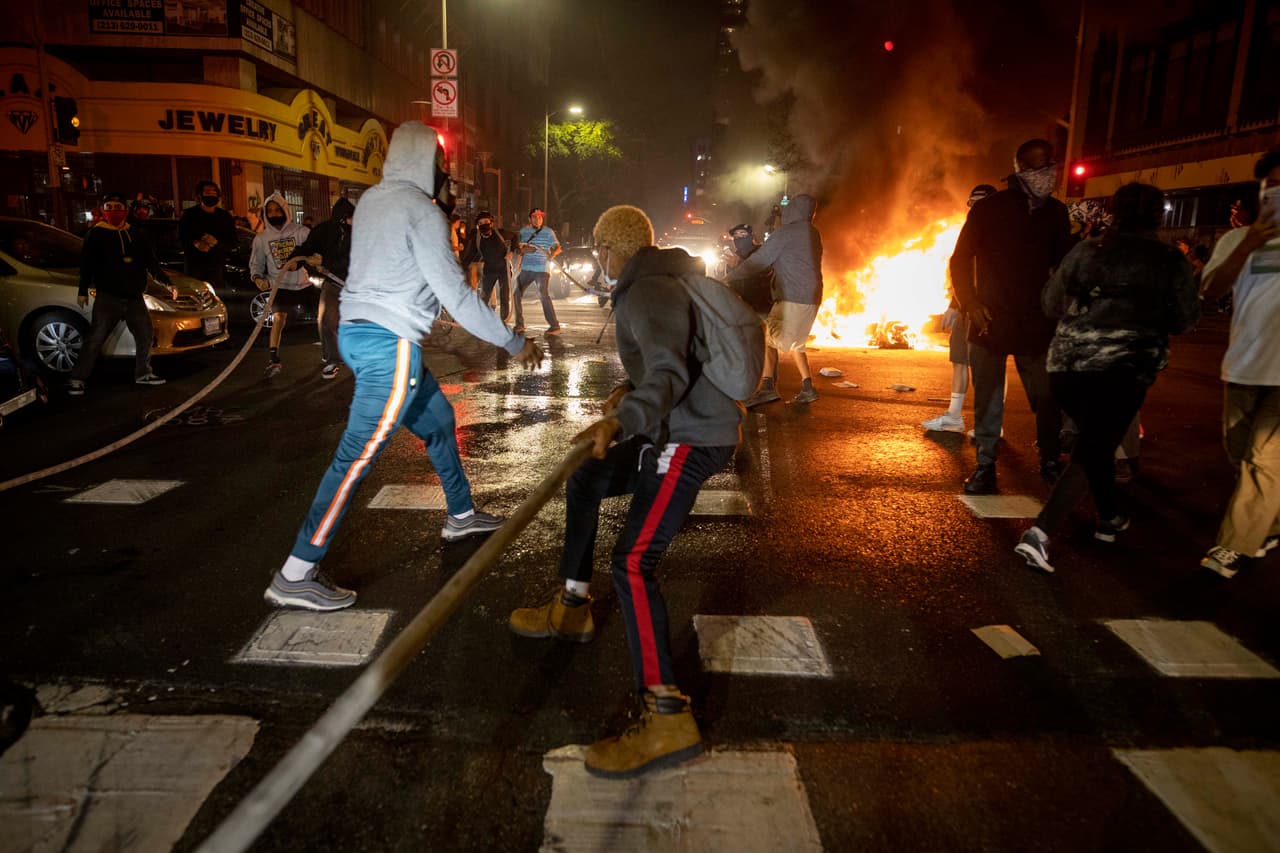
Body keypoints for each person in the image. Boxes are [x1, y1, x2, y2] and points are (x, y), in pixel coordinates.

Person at [263, 122, 543, 611]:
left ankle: (460, 513)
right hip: (389, 345)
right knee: (356, 457)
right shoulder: (421, 212)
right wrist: (513, 342)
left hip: (358, 332)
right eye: (443, 170)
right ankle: (296, 571)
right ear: (425, 167)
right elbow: (455, 294)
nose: (448, 181)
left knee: (437, 422)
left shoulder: (374, 201)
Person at [508, 204, 745, 778]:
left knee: (634, 561)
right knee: (587, 477)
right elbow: (668, 365)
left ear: (616, 248)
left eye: (601, 248)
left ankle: (664, 714)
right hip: (669, 427)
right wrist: (626, 391)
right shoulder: (658, 283)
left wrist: (620, 420)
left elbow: (668, 373)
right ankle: (571, 607)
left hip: (687, 437)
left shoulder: (649, 291)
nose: (601, 262)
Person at [1014, 183, 1199, 573]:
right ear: (1159, 215)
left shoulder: (1086, 250)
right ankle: (1040, 534)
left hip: (1066, 365)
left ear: (1113, 212)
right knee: (1095, 447)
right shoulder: (1169, 260)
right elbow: (1185, 319)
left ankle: (1110, 518)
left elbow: (1049, 302)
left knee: (1096, 440)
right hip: (1123, 370)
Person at [950, 139, 1075, 494]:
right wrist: (970, 303)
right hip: (990, 319)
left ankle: (1050, 459)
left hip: (1037, 320)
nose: (1048, 174)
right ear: (1019, 169)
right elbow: (959, 260)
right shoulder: (989, 209)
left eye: (1051, 165)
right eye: (1039, 168)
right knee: (988, 397)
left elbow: (1063, 264)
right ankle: (985, 466)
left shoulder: (1056, 212)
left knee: (1047, 395)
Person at [1197, 151, 1280, 578]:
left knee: (1263, 461)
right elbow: (1209, 290)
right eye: (1273, 186)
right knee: (1239, 452)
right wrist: (1249, 242)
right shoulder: (1236, 240)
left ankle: (1232, 546)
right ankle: (1269, 523)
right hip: (1245, 367)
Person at [68, 191, 170, 395]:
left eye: (118, 207)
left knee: (145, 334)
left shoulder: (135, 233)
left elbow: (150, 262)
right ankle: (77, 378)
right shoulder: (96, 234)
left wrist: (167, 283)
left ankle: (143, 373)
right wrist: (83, 290)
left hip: (134, 297)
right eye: (110, 208)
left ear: (125, 210)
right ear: (104, 211)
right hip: (108, 296)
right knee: (96, 337)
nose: (114, 212)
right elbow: (87, 265)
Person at [728, 194, 823, 406]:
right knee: (797, 341)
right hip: (812, 297)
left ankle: (768, 387)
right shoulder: (813, 233)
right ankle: (808, 387)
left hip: (792, 297)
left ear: (791, 211)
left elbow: (759, 261)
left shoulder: (787, 233)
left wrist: (730, 276)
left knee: (767, 339)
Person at [922, 184, 998, 433]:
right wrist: (954, 305)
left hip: (987, 310)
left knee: (988, 368)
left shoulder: (999, 235)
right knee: (959, 362)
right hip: (966, 309)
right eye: (971, 202)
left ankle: (992, 424)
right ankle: (955, 417)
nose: (974, 208)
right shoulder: (970, 233)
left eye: (980, 202)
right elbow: (962, 272)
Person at [285, 197, 355, 380]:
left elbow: (353, 261)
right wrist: (294, 261)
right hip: (333, 284)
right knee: (326, 320)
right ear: (340, 218)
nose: (352, 221)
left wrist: (325, 262)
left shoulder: (361, 233)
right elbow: (307, 248)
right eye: (348, 217)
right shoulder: (323, 231)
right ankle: (332, 359)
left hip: (359, 285)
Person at [250, 192, 311, 376]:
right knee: (278, 319)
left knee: (323, 318)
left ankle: (330, 355)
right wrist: (257, 278)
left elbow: (316, 249)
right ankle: (274, 359)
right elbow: (256, 263)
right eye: (270, 211)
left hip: (304, 283)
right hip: (280, 286)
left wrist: (312, 259)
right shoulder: (261, 239)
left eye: (278, 209)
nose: (274, 214)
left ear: (285, 210)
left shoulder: (300, 232)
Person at [178, 181, 237, 289]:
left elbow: (232, 242)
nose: (211, 195)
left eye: (214, 192)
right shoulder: (189, 215)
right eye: (207, 192)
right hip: (194, 269)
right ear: (200, 195)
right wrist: (196, 243)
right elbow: (180, 239)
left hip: (217, 269)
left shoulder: (225, 216)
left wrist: (216, 242)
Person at [514, 207, 562, 334]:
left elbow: (558, 248)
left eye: (540, 217)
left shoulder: (548, 232)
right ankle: (519, 325)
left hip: (542, 269)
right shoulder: (524, 231)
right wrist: (525, 250)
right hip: (526, 269)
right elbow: (519, 249)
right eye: (535, 217)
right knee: (516, 294)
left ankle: (554, 326)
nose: (537, 219)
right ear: (530, 219)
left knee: (543, 294)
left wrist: (552, 254)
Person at [723, 223, 773, 316]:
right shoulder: (733, 257)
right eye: (736, 236)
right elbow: (731, 283)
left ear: (750, 237)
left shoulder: (761, 252)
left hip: (761, 309)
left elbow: (764, 270)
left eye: (743, 234)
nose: (739, 238)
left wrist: (739, 263)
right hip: (740, 311)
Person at [472, 211, 512, 322]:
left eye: (486, 222)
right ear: (478, 225)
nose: (483, 224)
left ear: (491, 223)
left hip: (504, 270)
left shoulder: (501, 233)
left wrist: (512, 251)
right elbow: (470, 253)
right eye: (480, 223)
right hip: (489, 271)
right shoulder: (477, 239)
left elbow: (515, 237)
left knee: (504, 297)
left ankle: (504, 321)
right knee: (484, 296)